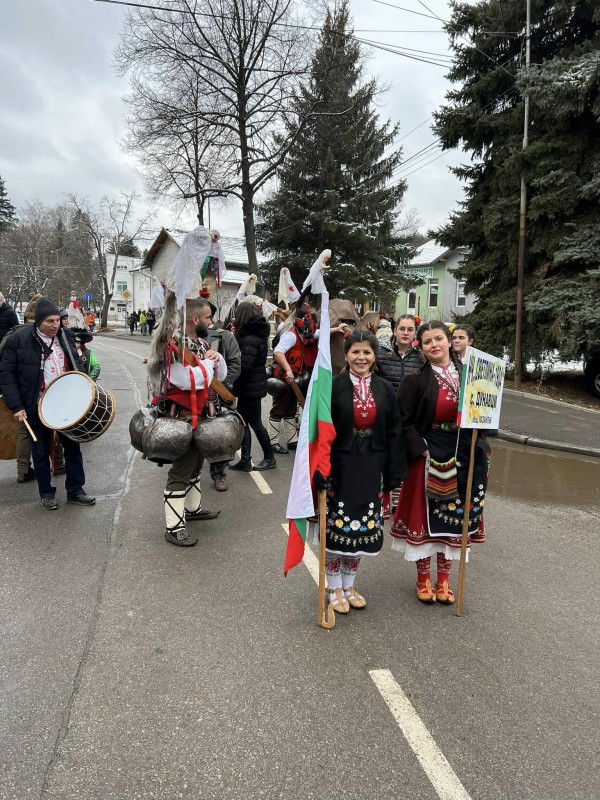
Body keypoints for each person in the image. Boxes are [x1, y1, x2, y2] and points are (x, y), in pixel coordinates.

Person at [391, 321, 490, 604]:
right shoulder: (415, 381)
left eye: (438, 339)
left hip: (464, 451)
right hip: (429, 451)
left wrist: (479, 438)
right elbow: (402, 421)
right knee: (426, 517)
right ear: (421, 348)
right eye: (427, 342)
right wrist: (420, 448)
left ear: (449, 341)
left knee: (456, 518)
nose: (434, 345)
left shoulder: (471, 377)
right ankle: (423, 578)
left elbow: (486, 412)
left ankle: (444, 580)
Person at [317, 331, 406, 613]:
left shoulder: (384, 388)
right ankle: (333, 586)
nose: (361, 357)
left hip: (372, 464)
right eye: (355, 351)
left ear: (374, 356)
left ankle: (349, 585)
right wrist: (320, 468)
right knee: (338, 528)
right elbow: (320, 431)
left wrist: (393, 473)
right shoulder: (332, 386)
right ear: (346, 355)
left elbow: (394, 431)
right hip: (340, 465)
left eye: (367, 352)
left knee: (361, 529)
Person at [0, 296, 95, 510]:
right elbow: (6, 374)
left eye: (57, 320)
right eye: (49, 321)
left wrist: (84, 390)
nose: (55, 325)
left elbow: (77, 365)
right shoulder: (19, 340)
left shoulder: (66, 336)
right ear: (38, 321)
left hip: (66, 403)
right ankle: (47, 494)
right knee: (41, 451)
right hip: (36, 404)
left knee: (73, 447)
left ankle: (76, 490)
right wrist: (16, 406)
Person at [147, 297, 227, 547]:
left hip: (202, 416)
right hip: (182, 418)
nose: (210, 322)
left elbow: (220, 377)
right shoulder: (172, 346)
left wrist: (217, 358)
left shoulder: (201, 343)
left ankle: (192, 509)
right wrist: (209, 363)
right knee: (181, 471)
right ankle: (174, 528)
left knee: (195, 465)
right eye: (207, 317)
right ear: (194, 319)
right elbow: (189, 380)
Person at [229, 302, 275, 472]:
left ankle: (269, 458)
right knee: (244, 423)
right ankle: (245, 460)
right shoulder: (255, 335)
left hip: (249, 387)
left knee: (255, 423)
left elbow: (244, 365)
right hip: (251, 386)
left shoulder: (249, 338)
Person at [204, 304, 241, 491]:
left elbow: (235, 363)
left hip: (216, 394)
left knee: (219, 435)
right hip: (191, 395)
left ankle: (218, 473)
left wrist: (221, 386)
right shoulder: (184, 336)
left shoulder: (225, 336)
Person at [377, 314, 421, 392]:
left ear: (415, 333)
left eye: (410, 330)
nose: (406, 333)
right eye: (402, 329)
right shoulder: (379, 351)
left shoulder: (421, 355)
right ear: (395, 331)